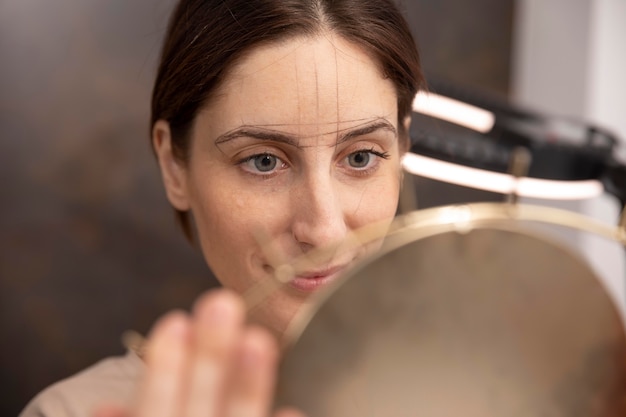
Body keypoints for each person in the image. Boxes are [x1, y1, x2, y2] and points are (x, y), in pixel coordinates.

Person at [20, 0, 423, 416]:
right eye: (263, 161)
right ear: (174, 167)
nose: (324, 232)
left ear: (403, 149)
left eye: (361, 157)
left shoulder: (487, 385)